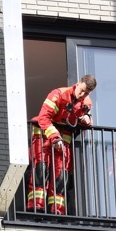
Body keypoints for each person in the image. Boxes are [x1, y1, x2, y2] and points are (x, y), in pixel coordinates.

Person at [27, 75, 97, 215]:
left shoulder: (86, 103)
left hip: (64, 136)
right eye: (82, 90)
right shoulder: (58, 94)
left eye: (87, 93)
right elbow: (44, 117)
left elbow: (89, 119)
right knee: (41, 168)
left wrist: (86, 119)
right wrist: (54, 137)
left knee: (61, 173)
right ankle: (36, 206)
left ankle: (57, 210)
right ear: (77, 84)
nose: (82, 95)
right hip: (43, 133)